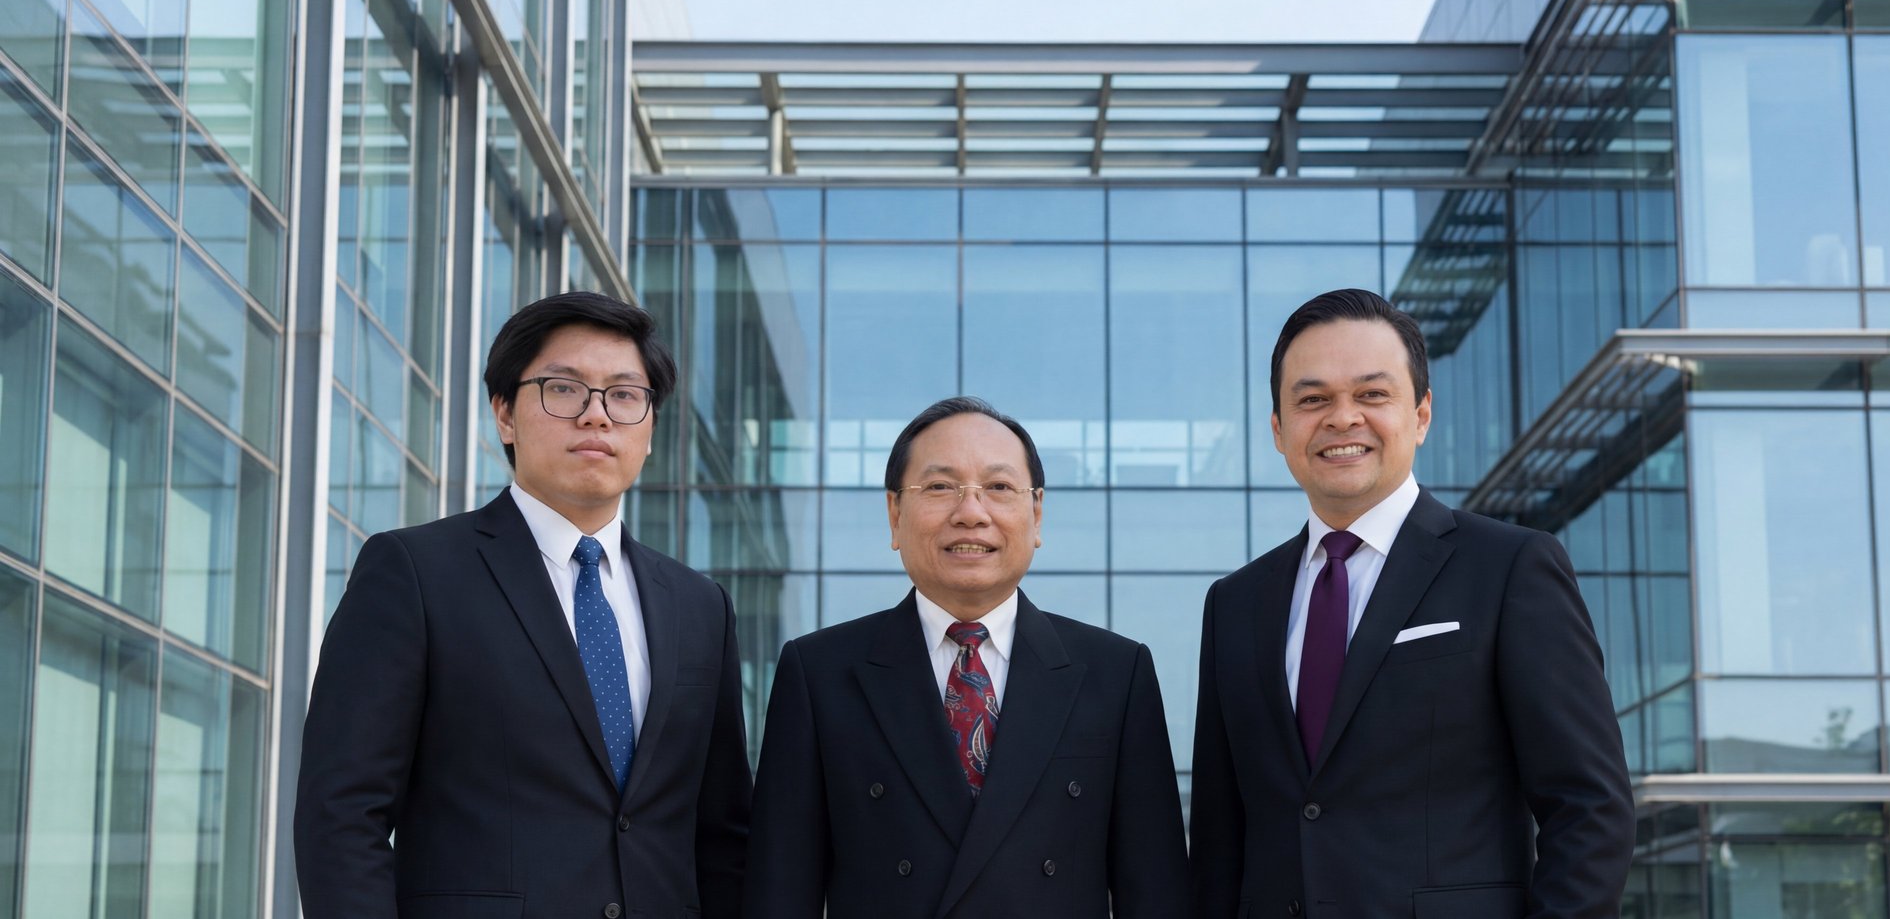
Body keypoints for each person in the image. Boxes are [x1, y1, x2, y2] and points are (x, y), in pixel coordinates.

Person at [294, 291, 751, 919]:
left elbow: (720, 833)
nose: (597, 416)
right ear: (505, 415)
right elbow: (342, 814)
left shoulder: (701, 607)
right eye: (564, 390)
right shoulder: (416, 573)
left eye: (623, 395)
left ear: (648, 431)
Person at [1189, 289, 1633, 919]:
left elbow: (1590, 808)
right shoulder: (1234, 604)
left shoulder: (1510, 568)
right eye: (1313, 400)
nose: (1343, 418)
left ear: (1421, 415)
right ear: (1279, 430)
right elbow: (1218, 836)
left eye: (1372, 394)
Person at [743, 396, 1190, 918]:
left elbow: (1156, 892)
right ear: (895, 513)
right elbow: (779, 891)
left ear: (1036, 512)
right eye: (940, 487)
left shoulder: (1117, 674)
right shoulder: (818, 674)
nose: (971, 513)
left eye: (999, 488)